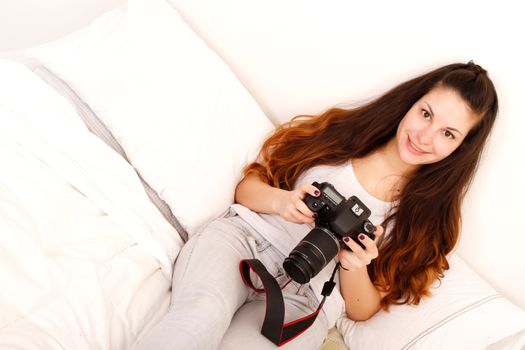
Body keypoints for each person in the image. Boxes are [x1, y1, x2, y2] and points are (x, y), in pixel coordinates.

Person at [135, 61, 498, 350]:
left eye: (448, 133)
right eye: (426, 114)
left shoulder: (427, 220)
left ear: (461, 147)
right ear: (411, 103)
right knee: (198, 320)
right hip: (243, 242)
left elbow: (360, 310)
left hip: (306, 297)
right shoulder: (346, 132)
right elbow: (248, 188)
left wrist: (353, 264)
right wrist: (283, 201)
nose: (425, 136)